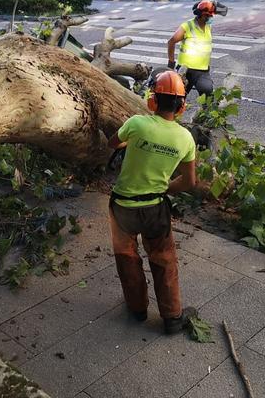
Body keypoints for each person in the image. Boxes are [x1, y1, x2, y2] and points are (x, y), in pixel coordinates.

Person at [107, 71, 197, 334]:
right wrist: (166, 187)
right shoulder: (185, 138)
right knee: (164, 259)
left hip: (122, 206)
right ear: (181, 106)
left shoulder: (137, 124)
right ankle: (172, 317)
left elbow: (114, 142)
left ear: (153, 101)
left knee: (127, 259)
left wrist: (136, 145)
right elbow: (190, 182)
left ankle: (137, 310)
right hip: (155, 208)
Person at [166, 0, 226, 97]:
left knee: (208, 93)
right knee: (176, 98)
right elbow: (171, 42)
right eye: (208, 16)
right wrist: (171, 63)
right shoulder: (187, 26)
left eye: (211, 16)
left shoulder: (208, 27)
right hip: (185, 71)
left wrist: (211, 4)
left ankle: (205, 111)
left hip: (202, 71)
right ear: (201, 15)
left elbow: (224, 10)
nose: (210, 18)